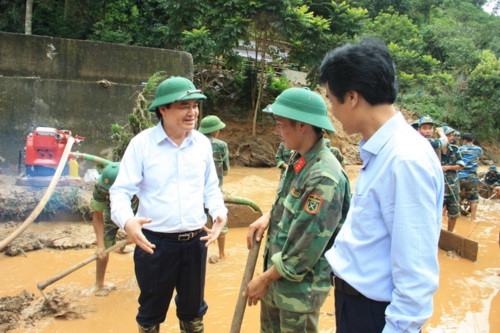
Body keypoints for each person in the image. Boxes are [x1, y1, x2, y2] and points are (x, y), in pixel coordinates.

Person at [319, 38, 444, 333]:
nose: (332, 112)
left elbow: (415, 274)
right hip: (355, 304)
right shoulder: (382, 152)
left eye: (331, 100)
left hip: (374, 314)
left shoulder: (405, 160)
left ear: (351, 97)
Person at [109, 76, 228, 333]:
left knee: (194, 312)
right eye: (184, 105)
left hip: (197, 241)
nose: (192, 112)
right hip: (155, 244)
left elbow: (211, 189)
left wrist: (219, 213)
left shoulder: (202, 145)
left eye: (195, 105)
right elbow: (120, 192)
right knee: (150, 313)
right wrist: (128, 221)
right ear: (162, 109)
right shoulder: (141, 145)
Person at [243, 87, 351, 333]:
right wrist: (268, 217)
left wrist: (264, 279)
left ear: (302, 126)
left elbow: (305, 246)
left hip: (298, 292)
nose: (276, 131)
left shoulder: (324, 176)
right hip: (276, 282)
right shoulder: (299, 159)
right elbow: (291, 203)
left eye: (280, 124)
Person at [91, 162, 138, 296]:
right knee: (104, 246)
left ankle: (146, 282)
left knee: (144, 243)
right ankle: (99, 285)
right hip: (110, 211)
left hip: (135, 211)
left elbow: (148, 211)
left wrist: (132, 231)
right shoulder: (101, 186)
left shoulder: (138, 185)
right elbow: (98, 216)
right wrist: (100, 246)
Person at [198, 115, 230, 262]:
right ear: (215, 131)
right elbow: (226, 169)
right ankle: (222, 254)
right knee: (219, 220)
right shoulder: (221, 145)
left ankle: (199, 254)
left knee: (198, 222)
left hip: (196, 192)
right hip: (214, 190)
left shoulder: (193, 142)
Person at [440, 126, 465, 232]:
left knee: (454, 212)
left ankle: (450, 233)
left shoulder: (454, 149)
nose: (450, 137)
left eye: (451, 135)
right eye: (447, 135)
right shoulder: (434, 149)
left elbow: (461, 165)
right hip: (439, 186)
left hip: (452, 186)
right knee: (435, 211)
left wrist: (448, 167)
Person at [458, 132, 483, 221]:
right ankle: (473, 218)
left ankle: (444, 215)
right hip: (472, 177)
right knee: (474, 197)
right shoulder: (479, 149)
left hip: (459, 176)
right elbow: (479, 157)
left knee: (453, 195)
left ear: (464, 140)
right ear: (472, 140)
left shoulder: (460, 149)